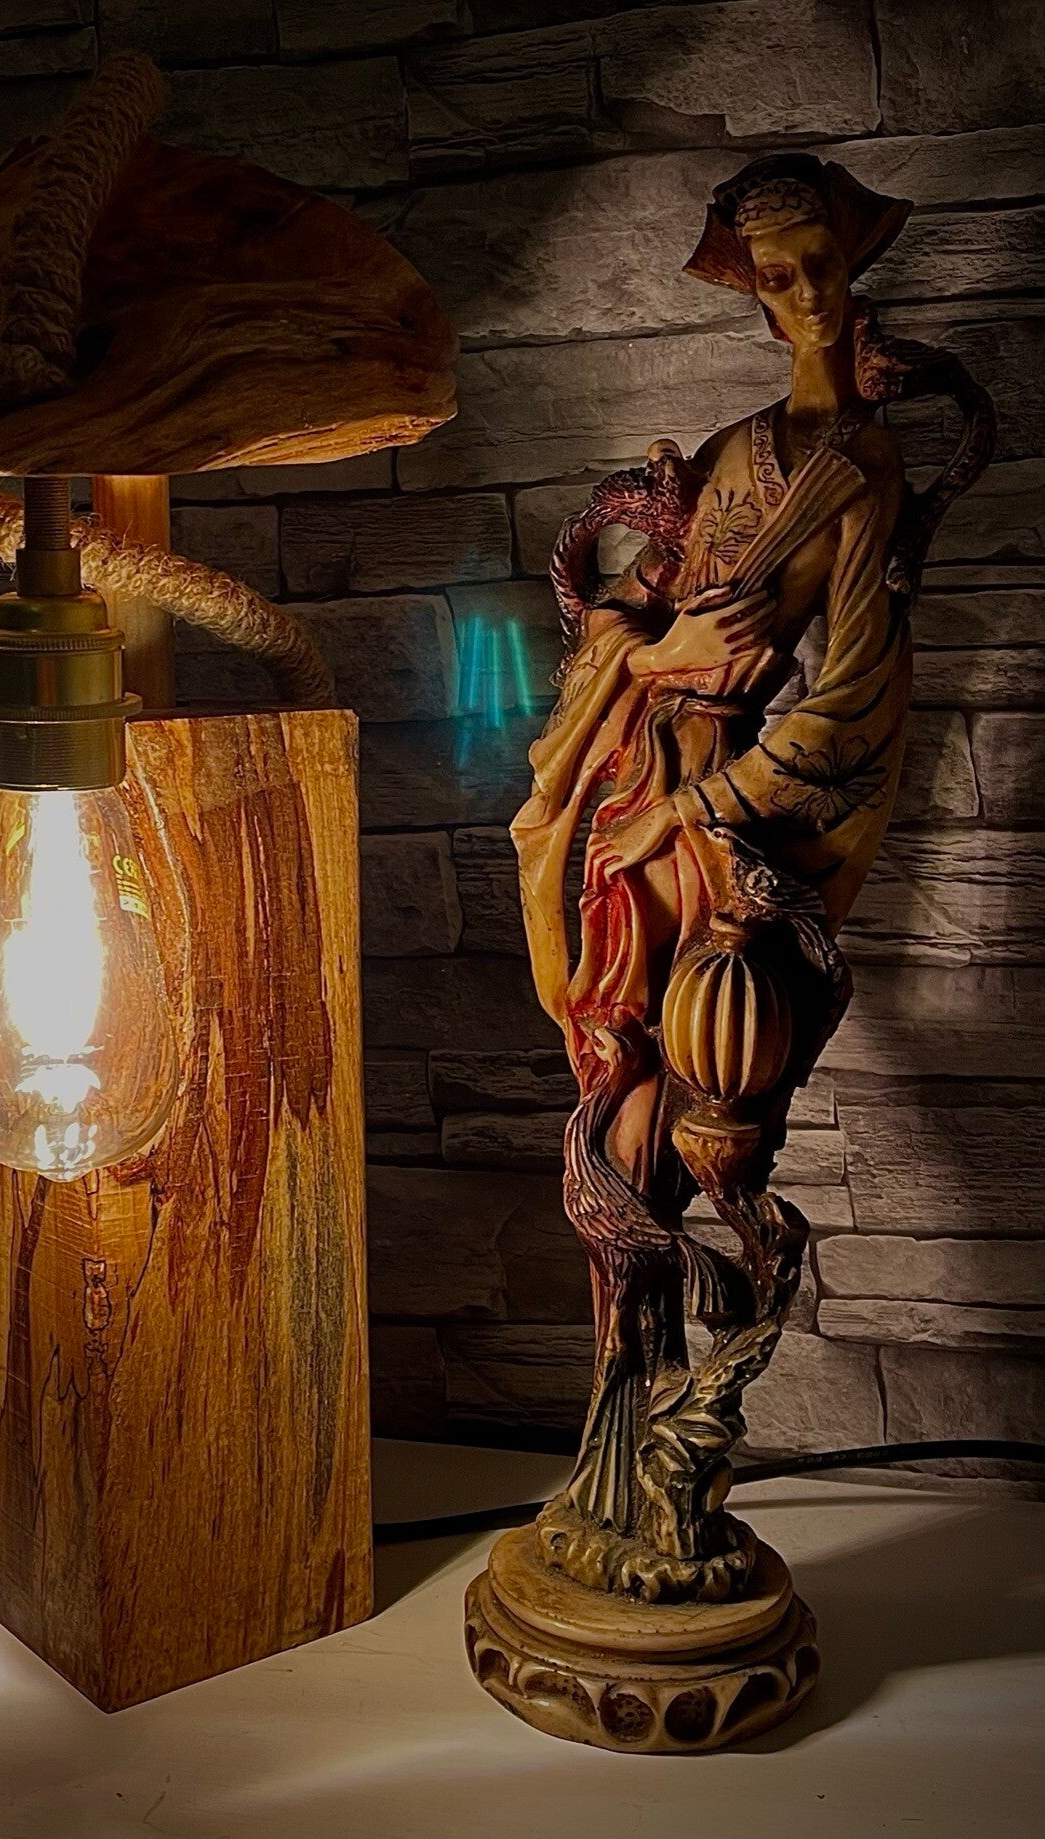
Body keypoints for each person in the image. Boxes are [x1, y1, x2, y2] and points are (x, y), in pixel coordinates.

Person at [512, 155, 991, 1594]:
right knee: (614, 1077)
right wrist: (647, 650)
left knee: (703, 1096)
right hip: (625, 776)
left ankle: (670, 1431)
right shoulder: (731, 454)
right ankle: (614, 1441)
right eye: (777, 275)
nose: (805, 295)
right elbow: (626, 607)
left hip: (709, 815)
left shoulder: (861, 470)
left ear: (853, 267)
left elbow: (849, 702)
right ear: (753, 291)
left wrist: (700, 808)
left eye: (822, 265)